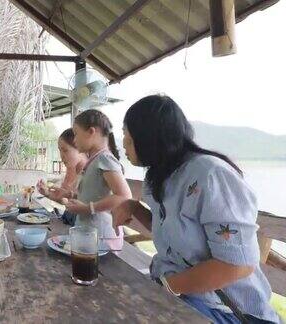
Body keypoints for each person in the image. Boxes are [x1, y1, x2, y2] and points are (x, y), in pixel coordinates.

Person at [112, 95, 279, 323]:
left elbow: (236, 266)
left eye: (127, 135)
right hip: (182, 292)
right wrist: (134, 208)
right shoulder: (161, 175)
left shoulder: (211, 176)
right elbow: (174, 236)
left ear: (149, 137)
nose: (123, 143)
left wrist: (165, 287)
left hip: (226, 310)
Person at [55, 110, 132, 250]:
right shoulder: (95, 160)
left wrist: (87, 208)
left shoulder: (105, 159)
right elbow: (95, 194)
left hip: (102, 238)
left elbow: (123, 196)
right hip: (89, 235)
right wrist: (69, 195)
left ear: (91, 132)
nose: (74, 139)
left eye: (76, 134)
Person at [37, 128, 87, 224]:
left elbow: (91, 208)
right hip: (70, 222)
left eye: (65, 150)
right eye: (60, 151)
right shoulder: (73, 170)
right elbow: (68, 203)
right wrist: (48, 194)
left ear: (80, 148)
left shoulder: (91, 173)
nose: (61, 156)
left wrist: (68, 195)